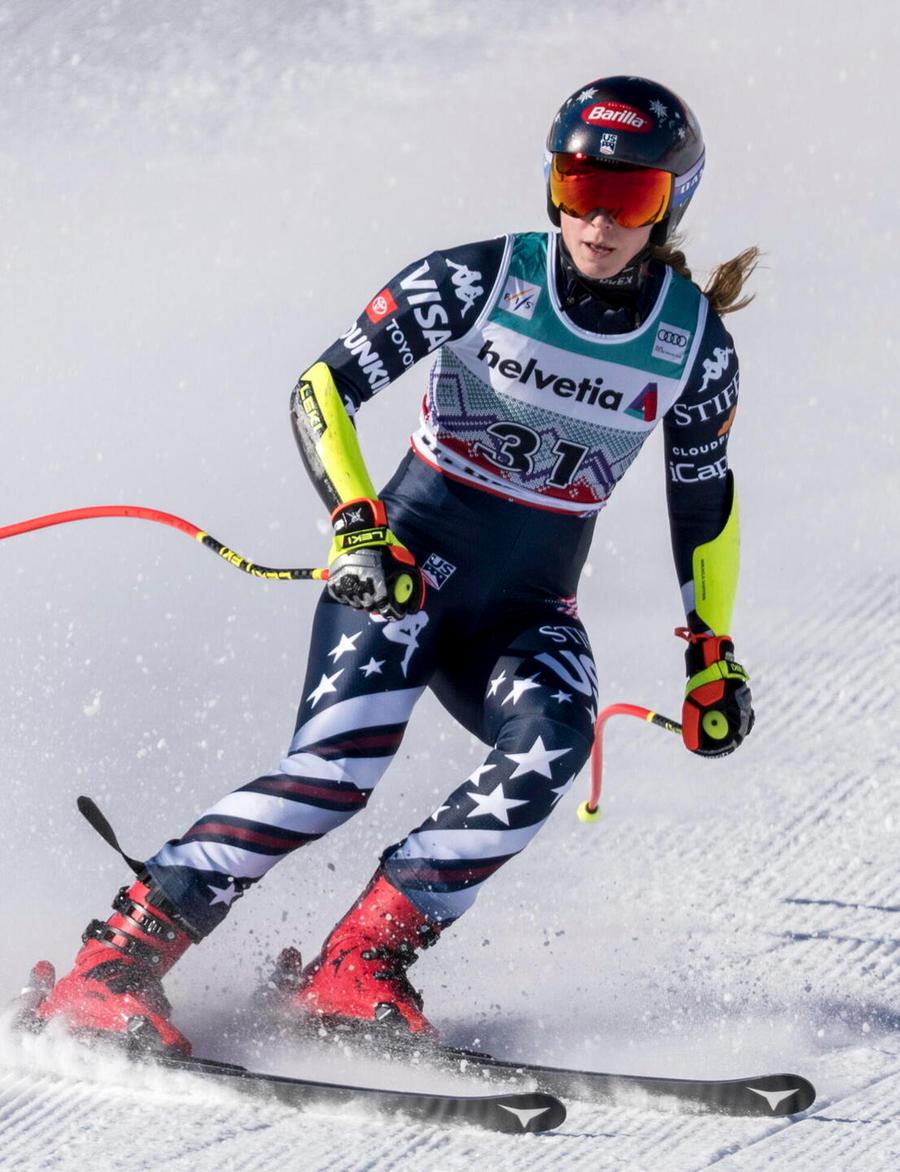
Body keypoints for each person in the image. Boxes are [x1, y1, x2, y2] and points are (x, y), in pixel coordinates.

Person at [26, 76, 755, 1053]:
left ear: (670, 204)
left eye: (627, 198)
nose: (597, 221)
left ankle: (359, 962)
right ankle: (113, 962)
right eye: (578, 186)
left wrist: (711, 654)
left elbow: (703, 499)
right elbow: (322, 388)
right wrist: (358, 527)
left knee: (552, 743)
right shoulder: (481, 278)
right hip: (402, 572)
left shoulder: (692, 343)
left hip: (525, 610)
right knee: (336, 769)